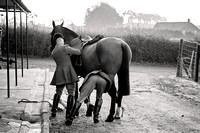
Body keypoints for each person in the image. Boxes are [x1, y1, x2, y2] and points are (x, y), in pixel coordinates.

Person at [50, 33, 81, 119]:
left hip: (59, 73)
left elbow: (63, 57)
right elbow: (78, 52)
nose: (64, 41)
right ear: (60, 39)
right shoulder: (65, 48)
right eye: (63, 39)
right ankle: (68, 113)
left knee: (58, 92)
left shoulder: (53, 52)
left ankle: (53, 111)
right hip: (68, 72)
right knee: (71, 92)